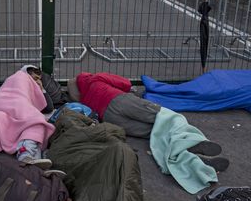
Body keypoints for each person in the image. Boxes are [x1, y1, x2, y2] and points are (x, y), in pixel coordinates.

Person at [67, 72, 229, 172]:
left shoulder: (84, 101)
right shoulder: (96, 79)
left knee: (156, 134)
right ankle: (192, 140)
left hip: (110, 117)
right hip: (119, 100)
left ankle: (193, 162)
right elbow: (125, 83)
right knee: (165, 118)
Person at [0, 67, 55, 169]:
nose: (37, 81)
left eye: (39, 79)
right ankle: (26, 153)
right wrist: (41, 88)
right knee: (37, 122)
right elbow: (49, 108)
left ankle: (33, 159)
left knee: (0, 122)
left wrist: (40, 86)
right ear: (28, 74)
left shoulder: (11, 79)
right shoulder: (22, 77)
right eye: (35, 78)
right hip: (13, 105)